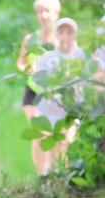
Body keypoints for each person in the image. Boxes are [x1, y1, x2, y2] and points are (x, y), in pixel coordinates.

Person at [34, 17, 86, 172]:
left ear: (75, 35)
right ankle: (52, 170)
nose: (65, 36)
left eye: (69, 32)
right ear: (56, 34)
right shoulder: (46, 57)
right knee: (54, 139)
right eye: (61, 32)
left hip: (73, 106)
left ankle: (62, 171)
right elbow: (40, 80)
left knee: (68, 138)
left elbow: (88, 79)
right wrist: (51, 90)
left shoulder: (81, 55)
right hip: (51, 107)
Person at [17, 0, 61, 175]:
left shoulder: (62, 37)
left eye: (47, 11)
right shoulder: (31, 39)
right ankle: (41, 173)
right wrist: (28, 68)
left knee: (56, 133)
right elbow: (21, 62)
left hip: (57, 91)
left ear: (56, 13)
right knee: (38, 131)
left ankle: (55, 171)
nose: (43, 15)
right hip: (34, 91)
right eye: (40, 11)